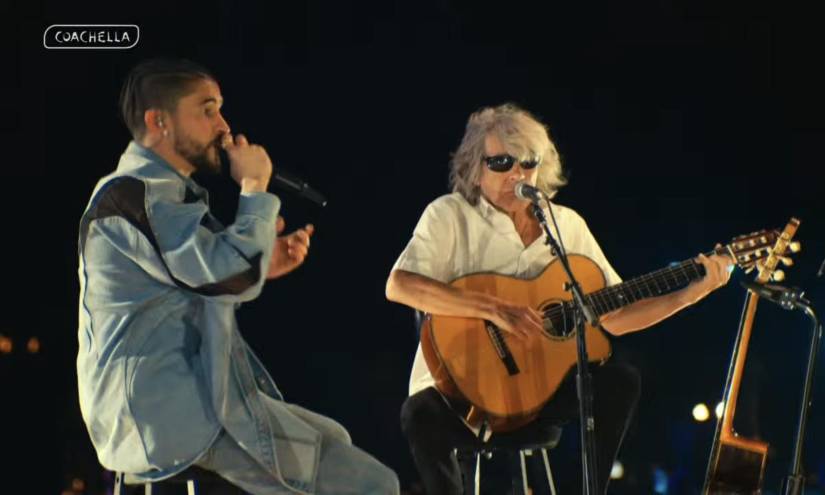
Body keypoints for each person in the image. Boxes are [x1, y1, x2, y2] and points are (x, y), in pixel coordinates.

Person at [77, 58, 399, 495]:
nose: (224, 126)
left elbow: (214, 277)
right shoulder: (132, 196)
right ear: (159, 121)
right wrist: (254, 189)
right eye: (207, 110)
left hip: (201, 403)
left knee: (333, 440)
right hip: (169, 415)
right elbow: (227, 276)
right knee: (370, 485)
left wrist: (262, 265)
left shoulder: (168, 198)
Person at [385, 103, 733, 494]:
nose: (515, 174)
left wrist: (689, 295)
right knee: (417, 414)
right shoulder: (449, 214)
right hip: (459, 398)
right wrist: (494, 308)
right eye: (500, 162)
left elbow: (615, 316)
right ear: (473, 168)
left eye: (527, 163)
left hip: (538, 399)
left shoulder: (565, 226)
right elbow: (400, 285)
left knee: (620, 380)